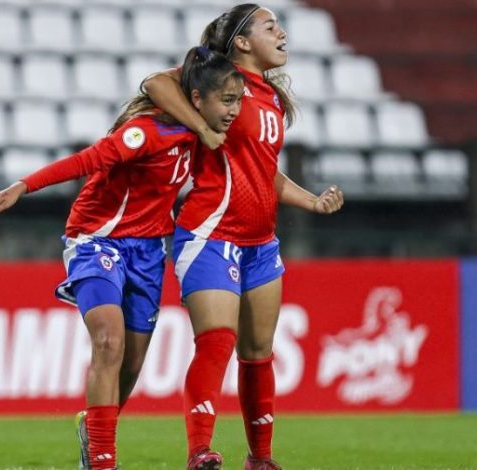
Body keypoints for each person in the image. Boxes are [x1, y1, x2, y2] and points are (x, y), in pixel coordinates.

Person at [0, 47, 245, 470]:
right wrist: (23, 186)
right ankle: (102, 462)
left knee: (131, 364)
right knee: (108, 342)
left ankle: (93, 429)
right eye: (227, 101)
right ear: (197, 99)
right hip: (97, 241)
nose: (234, 111)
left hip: (150, 252)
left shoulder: (202, 135)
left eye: (238, 101)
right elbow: (88, 159)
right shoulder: (146, 132)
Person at [142, 4, 344, 469]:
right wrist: (200, 128)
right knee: (216, 341)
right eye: (270, 26)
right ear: (242, 42)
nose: (283, 33)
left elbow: (262, 170)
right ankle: (199, 452)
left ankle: (262, 459)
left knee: (258, 354)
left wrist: (310, 200)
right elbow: (155, 83)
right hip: (211, 232)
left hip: (261, 242)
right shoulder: (219, 78)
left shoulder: (268, 97)